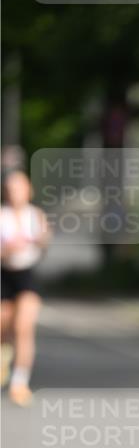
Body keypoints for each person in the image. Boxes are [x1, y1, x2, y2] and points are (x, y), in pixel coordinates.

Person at [1, 170, 50, 407]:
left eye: (19, 188)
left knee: (23, 326)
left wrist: (40, 239)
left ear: (28, 190)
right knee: (4, 323)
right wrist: (7, 250)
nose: (14, 193)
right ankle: (4, 356)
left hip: (26, 274)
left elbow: (44, 245)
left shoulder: (36, 216)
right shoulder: (2, 216)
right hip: (3, 274)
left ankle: (20, 382)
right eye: (10, 188)